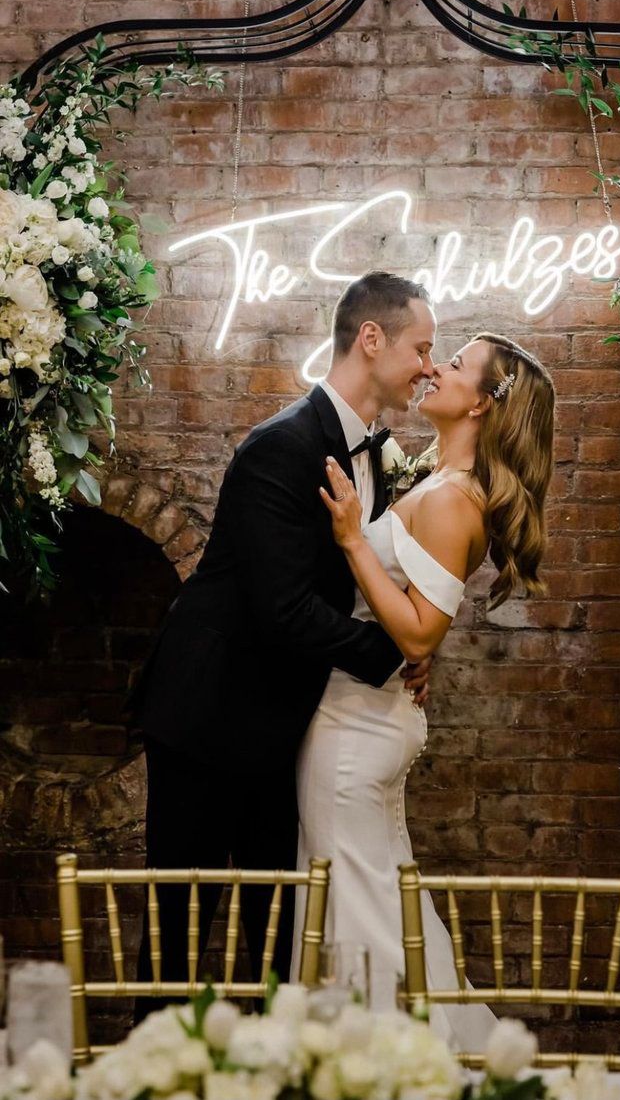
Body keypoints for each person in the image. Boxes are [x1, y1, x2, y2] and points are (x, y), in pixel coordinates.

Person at [129, 272, 436, 1015]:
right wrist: (395, 655)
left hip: (282, 723)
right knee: (180, 934)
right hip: (209, 716)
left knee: (273, 929)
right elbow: (286, 610)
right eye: (423, 347)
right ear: (371, 339)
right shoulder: (282, 446)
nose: (430, 364)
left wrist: (410, 636)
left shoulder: (373, 453)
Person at [292, 332, 556, 1050]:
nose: (436, 369)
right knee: (376, 900)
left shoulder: (453, 501)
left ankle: (383, 1065)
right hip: (365, 714)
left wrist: (352, 538)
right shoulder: (443, 487)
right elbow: (413, 617)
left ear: (484, 405)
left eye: (457, 366)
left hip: (357, 727)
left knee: (354, 909)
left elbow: (416, 637)